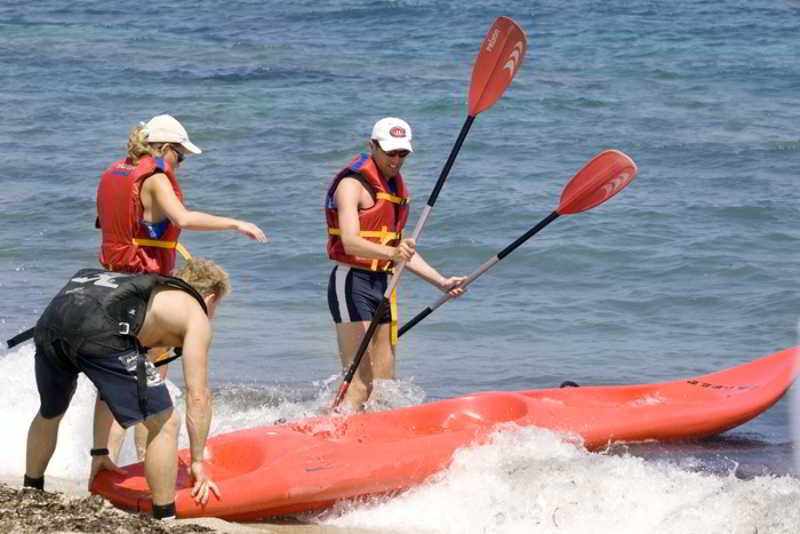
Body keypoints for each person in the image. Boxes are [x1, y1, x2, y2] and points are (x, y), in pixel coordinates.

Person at [95, 114, 266, 461]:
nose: (180, 164)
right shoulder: (155, 179)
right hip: (141, 293)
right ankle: (139, 461)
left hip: (109, 287)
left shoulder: (116, 173)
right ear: (167, 148)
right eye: (180, 156)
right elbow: (183, 219)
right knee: (149, 382)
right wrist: (236, 223)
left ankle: (113, 463)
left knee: (120, 386)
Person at [23, 258, 229, 520]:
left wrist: (101, 452)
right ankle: (165, 517)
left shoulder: (143, 294)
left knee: (51, 411)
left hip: (51, 323)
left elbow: (108, 383)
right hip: (98, 332)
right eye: (216, 307)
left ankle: (31, 491)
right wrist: (198, 461)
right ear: (210, 299)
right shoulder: (195, 314)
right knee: (165, 422)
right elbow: (198, 395)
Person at [325, 117, 465, 411]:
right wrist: (393, 255)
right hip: (351, 282)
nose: (397, 160)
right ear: (372, 146)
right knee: (360, 382)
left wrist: (441, 282)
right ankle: (338, 438)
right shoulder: (351, 185)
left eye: (403, 153)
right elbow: (350, 241)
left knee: (385, 383)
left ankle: (376, 442)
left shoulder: (397, 190)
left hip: (383, 284)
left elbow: (401, 248)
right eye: (391, 152)